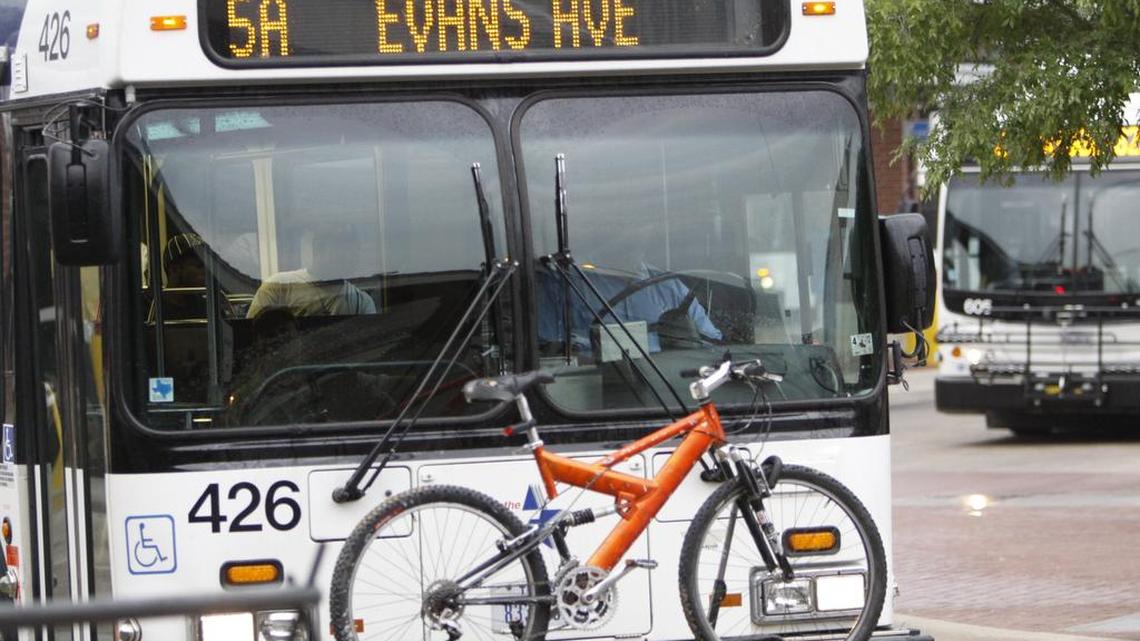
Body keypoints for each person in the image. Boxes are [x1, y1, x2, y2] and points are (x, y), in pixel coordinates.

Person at [247, 223, 376, 319]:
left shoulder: (362, 302)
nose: (351, 256)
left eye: (354, 250)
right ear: (319, 250)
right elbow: (252, 336)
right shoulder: (278, 286)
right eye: (343, 247)